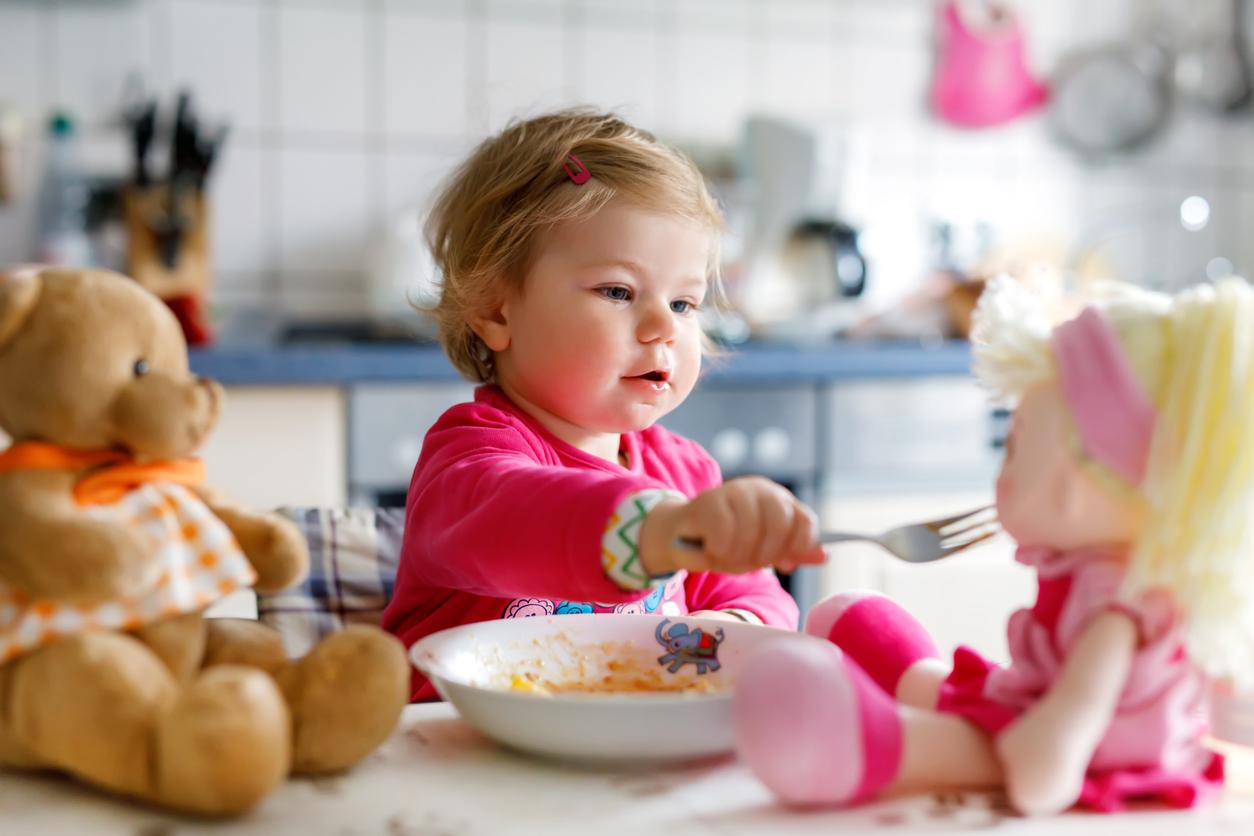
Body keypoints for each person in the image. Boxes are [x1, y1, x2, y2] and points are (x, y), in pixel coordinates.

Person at [735, 276, 1249, 815]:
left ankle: (876, 744)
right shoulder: (1099, 573)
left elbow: (1060, 742)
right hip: (1030, 703)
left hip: (1064, 748)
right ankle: (917, 686)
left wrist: (1034, 758)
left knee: (967, 744)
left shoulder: (1115, 612)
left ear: (1074, 490)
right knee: (858, 625)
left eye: (1016, 444)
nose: (1003, 463)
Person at [382, 109, 825, 701]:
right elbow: (514, 518)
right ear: (494, 310)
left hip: (618, 756)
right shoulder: (469, 455)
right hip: (459, 754)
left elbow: (756, 597)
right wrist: (656, 529)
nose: (664, 326)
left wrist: (731, 636)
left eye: (685, 303)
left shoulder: (688, 476)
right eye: (618, 291)